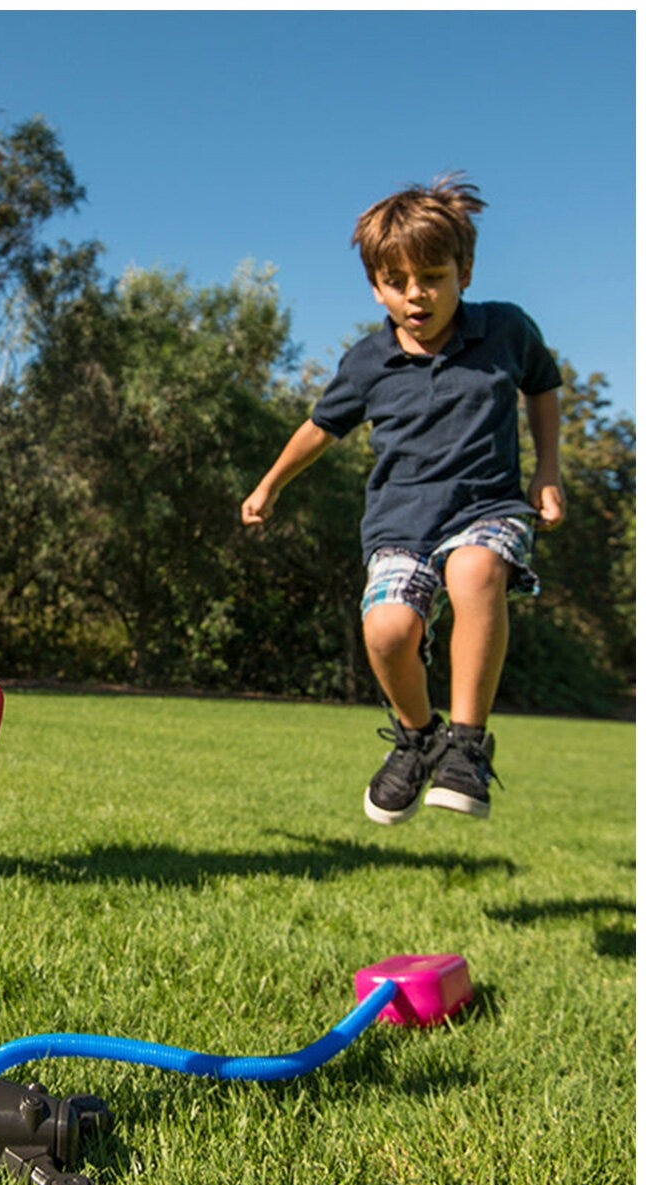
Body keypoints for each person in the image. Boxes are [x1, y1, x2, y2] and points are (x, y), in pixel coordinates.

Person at [240, 173, 565, 824]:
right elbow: (319, 429)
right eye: (397, 282)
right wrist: (269, 484)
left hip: (488, 507)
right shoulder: (368, 362)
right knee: (387, 631)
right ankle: (418, 739)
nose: (416, 295)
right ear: (375, 285)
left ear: (463, 273)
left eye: (433, 277)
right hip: (400, 525)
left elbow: (544, 387)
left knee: (475, 570)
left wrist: (548, 470)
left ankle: (467, 747)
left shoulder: (505, 331)